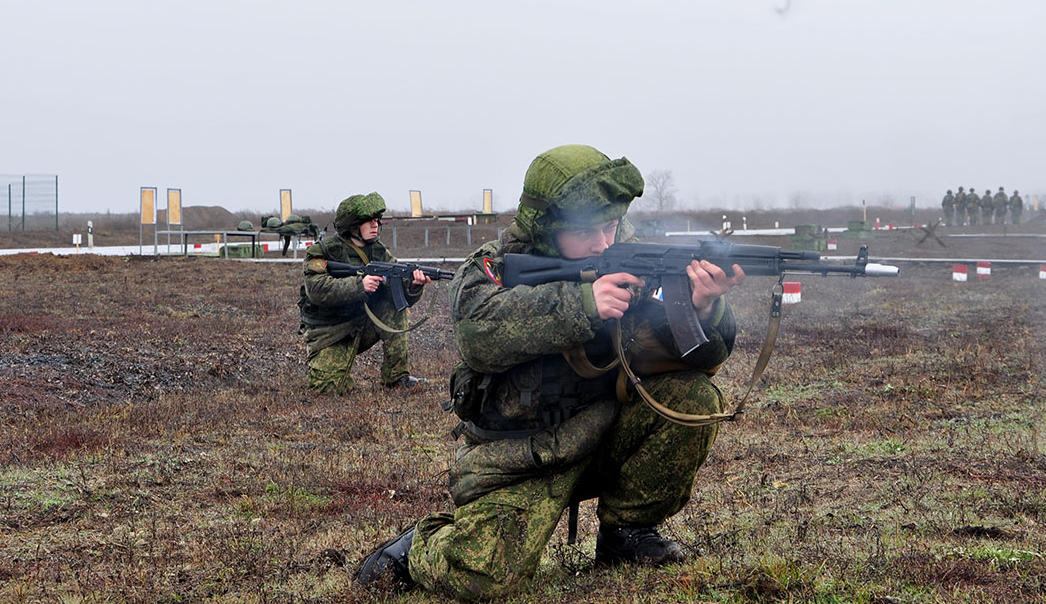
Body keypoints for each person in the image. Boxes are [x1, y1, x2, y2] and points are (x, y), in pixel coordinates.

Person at [355, 144, 745, 600]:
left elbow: (702, 357)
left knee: (692, 398)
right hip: (520, 459)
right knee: (484, 580)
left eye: (611, 226)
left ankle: (627, 535)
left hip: (601, 434)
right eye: (586, 231)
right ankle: (418, 544)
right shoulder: (493, 267)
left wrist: (704, 307)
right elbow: (479, 336)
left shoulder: (633, 258)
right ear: (546, 228)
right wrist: (583, 305)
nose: (603, 243)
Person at [298, 193, 430, 393]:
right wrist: (360, 285)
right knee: (329, 389)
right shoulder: (323, 251)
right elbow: (317, 289)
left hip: (365, 323)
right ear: (352, 226)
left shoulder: (378, 251)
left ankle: (396, 377)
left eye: (377, 220)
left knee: (397, 307)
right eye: (369, 221)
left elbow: (398, 288)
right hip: (330, 332)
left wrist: (413, 286)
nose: (375, 225)